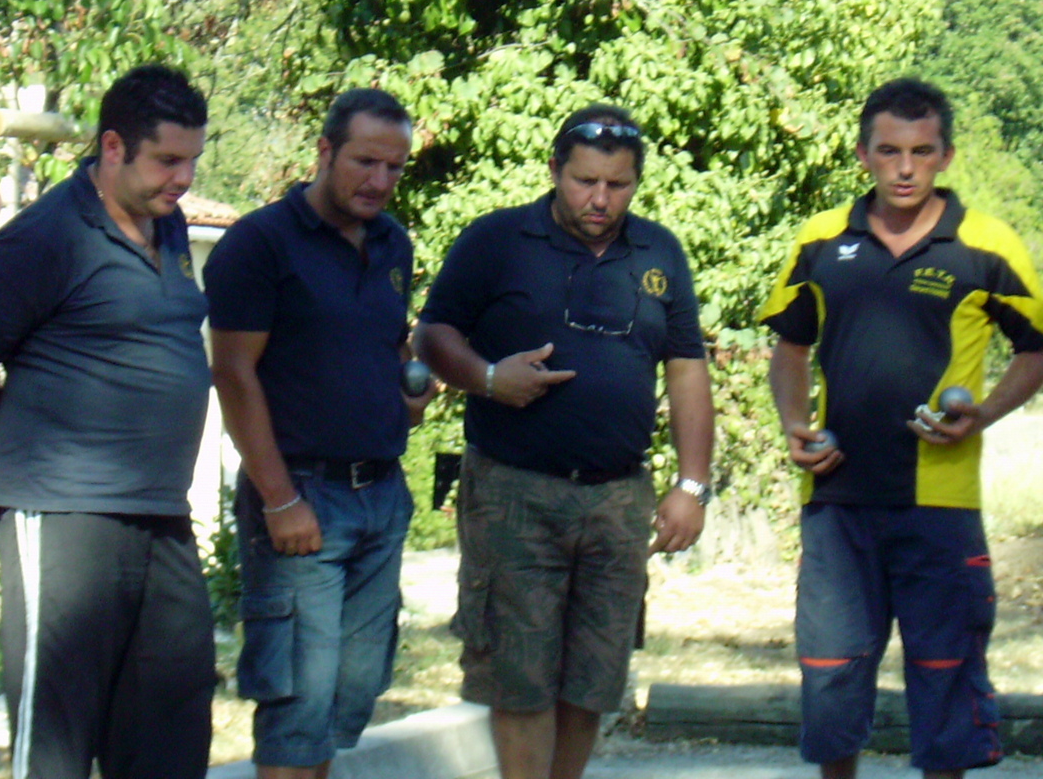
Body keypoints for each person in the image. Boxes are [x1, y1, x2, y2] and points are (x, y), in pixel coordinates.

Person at [413, 105, 714, 779]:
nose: (600, 198)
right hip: (514, 491)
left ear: (636, 182)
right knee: (518, 679)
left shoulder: (659, 252)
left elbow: (687, 368)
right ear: (554, 170)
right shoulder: (498, 240)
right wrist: (490, 379)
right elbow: (432, 335)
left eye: (618, 184)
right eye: (585, 181)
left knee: (593, 682)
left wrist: (692, 485)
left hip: (618, 498)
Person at [0, 65, 217, 779]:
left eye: (192, 160)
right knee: (57, 744)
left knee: (171, 733)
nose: (183, 178)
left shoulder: (170, 224)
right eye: (168, 160)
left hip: (161, 513)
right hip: (62, 513)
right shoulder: (46, 237)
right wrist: (2, 429)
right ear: (113, 147)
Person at [760, 78, 1043, 779]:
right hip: (837, 502)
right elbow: (789, 349)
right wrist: (795, 424)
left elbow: (1036, 350)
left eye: (922, 152)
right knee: (831, 680)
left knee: (946, 677)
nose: (906, 168)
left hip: (940, 507)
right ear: (864, 155)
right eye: (889, 152)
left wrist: (985, 413)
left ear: (946, 156)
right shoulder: (821, 239)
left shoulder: (987, 244)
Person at [203, 87, 435, 779]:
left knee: (346, 702)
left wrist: (410, 392)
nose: (380, 181)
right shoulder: (260, 243)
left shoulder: (394, 243)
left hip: (381, 493)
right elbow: (233, 373)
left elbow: (392, 342)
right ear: (325, 151)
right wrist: (279, 499)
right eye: (365, 162)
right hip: (301, 493)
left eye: (394, 167)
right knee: (296, 709)